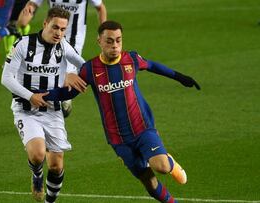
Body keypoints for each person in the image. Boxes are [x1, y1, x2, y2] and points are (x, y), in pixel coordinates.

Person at [42, 21, 201, 203]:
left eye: (118, 40)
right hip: (118, 139)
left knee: (162, 167)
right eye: (109, 41)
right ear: (99, 41)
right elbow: (68, 93)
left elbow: (152, 66)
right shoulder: (90, 69)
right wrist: (40, 96)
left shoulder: (131, 60)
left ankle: (170, 162)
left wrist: (179, 77)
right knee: (148, 181)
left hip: (143, 129)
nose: (115, 46)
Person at [1, 7, 86, 203]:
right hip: (25, 109)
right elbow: (6, 78)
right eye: (55, 27)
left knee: (56, 165)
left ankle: (49, 201)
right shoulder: (23, 44)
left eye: (63, 29)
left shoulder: (63, 46)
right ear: (45, 24)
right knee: (38, 154)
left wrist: (73, 73)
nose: (59, 33)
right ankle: (37, 175)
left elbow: (85, 66)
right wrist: (30, 96)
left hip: (52, 110)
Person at [18, 0, 107, 117]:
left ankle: (60, 105)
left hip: (74, 41)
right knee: (49, 77)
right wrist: (24, 18)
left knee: (65, 81)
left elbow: (100, 8)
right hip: (51, 39)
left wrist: (103, 33)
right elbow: (31, 7)